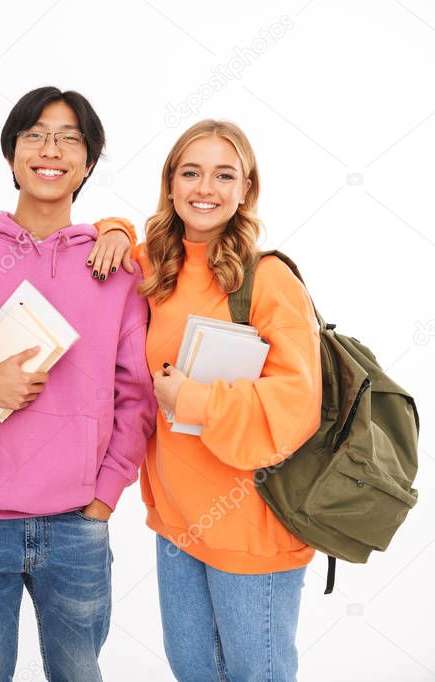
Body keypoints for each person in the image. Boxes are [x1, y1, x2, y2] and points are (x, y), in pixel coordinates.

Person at [0, 86, 156, 681]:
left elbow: (137, 397)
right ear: (11, 155)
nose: (52, 149)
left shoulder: (117, 270)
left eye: (70, 138)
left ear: (89, 162)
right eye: (36, 135)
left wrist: (103, 498)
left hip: (78, 521)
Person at [88, 119, 323, 681]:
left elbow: (296, 405)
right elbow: (95, 244)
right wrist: (115, 227)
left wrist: (191, 399)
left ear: (246, 189)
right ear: (170, 184)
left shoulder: (266, 279)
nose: (205, 188)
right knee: (192, 671)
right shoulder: (152, 267)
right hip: (176, 523)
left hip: (251, 531)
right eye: (190, 172)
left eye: (224, 175)